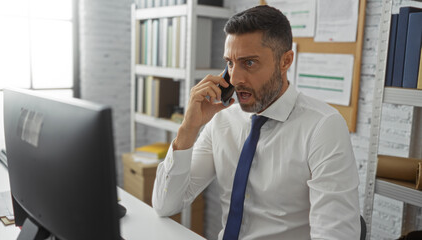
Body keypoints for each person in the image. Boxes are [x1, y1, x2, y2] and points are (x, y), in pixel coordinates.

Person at [152, 5, 361, 240]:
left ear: (286, 61)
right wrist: (188, 128)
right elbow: (165, 205)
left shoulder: (323, 127)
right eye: (230, 63)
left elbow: (335, 235)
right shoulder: (222, 118)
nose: (236, 78)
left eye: (249, 63)